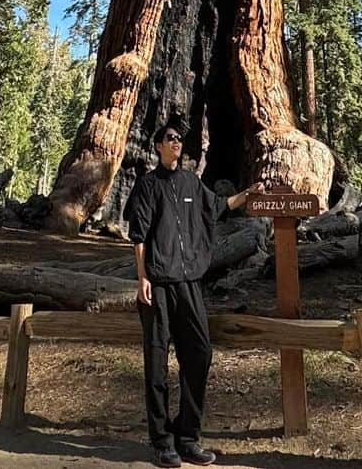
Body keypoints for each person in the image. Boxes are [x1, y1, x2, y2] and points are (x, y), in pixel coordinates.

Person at [123, 122, 262, 468]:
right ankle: (161, 441)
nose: (176, 143)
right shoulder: (148, 185)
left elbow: (216, 206)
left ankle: (188, 436)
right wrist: (142, 279)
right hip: (157, 284)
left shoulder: (189, 182)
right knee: (156, 363)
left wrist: (246, 194)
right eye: (170, 139)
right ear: (157, 146)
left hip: (189, 285)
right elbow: (138, 235)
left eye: (179, 139)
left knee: (199, 353)